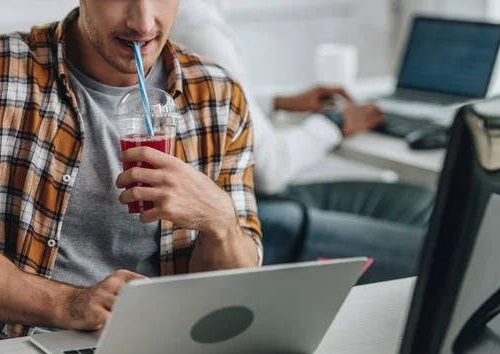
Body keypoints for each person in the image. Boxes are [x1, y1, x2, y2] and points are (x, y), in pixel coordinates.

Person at [0, 1, 262, 350]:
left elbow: (235, 286)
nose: (144, 22)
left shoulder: (219, 95)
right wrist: (69, 304)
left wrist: (222, 223)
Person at [171, 0, 434, 284]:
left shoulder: (201, 16)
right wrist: (335, 124)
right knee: (438, 255)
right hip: (257, 214)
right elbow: (270, 169)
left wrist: (278, 102)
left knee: (423, 202)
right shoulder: (194, 25)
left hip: (261, 201)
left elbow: (214, 101)